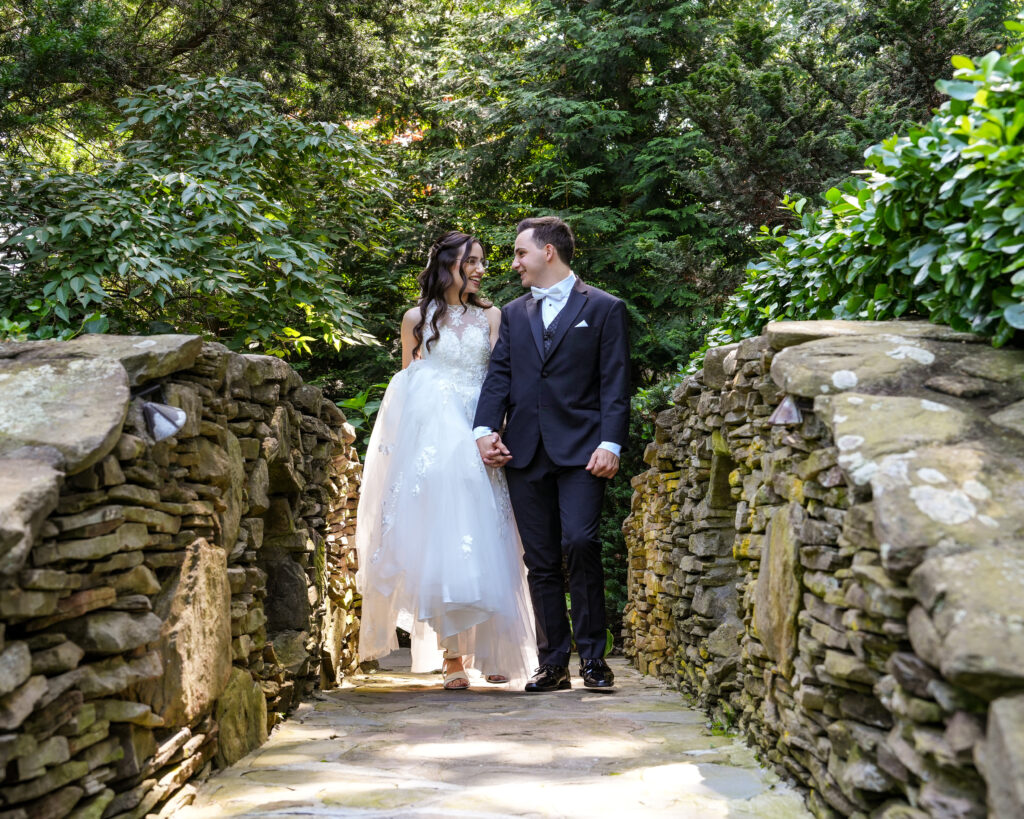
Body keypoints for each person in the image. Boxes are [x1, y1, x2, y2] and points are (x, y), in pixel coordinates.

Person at [356, 231, 537, 690]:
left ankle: (495, 647)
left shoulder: (492, 316)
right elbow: (406, 384)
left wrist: (495, 430)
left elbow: (502, 378)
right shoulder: (416, 317)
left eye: (481, 262)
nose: (480, 269)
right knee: (445, 539)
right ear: (448, 264)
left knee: (490, 536)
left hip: (480, 428)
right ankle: (453, 656)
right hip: (435, 438)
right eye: (471, 261)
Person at [473, 216, 630, 693]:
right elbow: (499, 375)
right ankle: (554, 664)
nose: (514, 262)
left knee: (580, 544)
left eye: (520, 253)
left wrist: (611, 442)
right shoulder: (515, 314)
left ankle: (594, 662)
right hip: (523, 452)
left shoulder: (604, 308)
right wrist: (483, 429)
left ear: (548, 253)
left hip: (584, 450)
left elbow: (616, 380)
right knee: (540, 562)